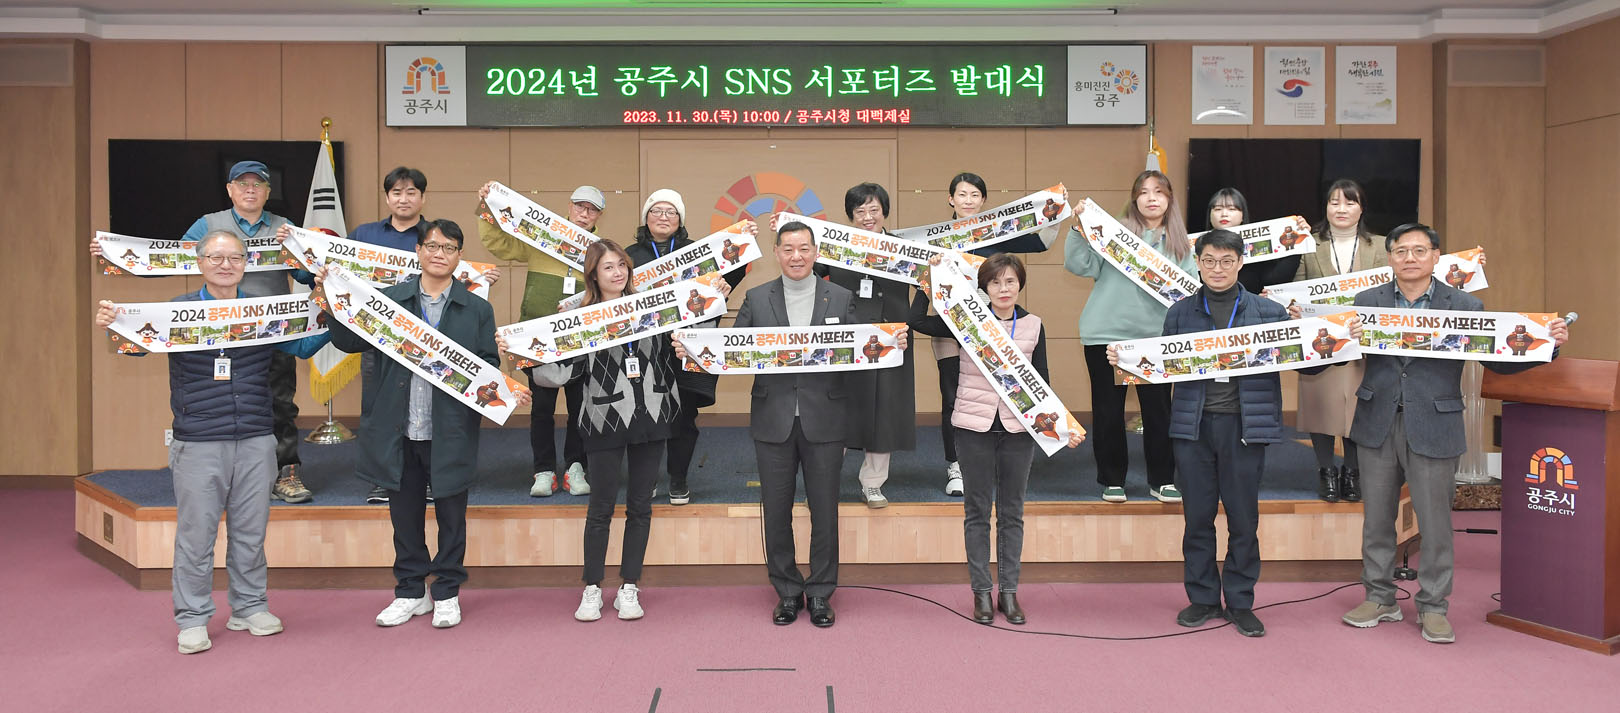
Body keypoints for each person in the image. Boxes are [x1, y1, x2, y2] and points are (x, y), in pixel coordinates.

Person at [95, 230, 330, 654]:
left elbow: (303, 344)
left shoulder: (263, 310)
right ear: (200, 263)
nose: (226, 265)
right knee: (196, 535)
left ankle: (250, 607)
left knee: (250, 532)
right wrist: (115, 321)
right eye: (216, 258)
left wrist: (335, 311)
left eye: (235, 258)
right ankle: (192, 617)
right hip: (199, 441)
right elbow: (134, 347)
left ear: (246, 265)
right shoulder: (177, 310)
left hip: (257, 438)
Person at [1333, 223, 1566, 645]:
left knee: (1436, 524)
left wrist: (1547, 344)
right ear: (1390, 258)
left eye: (1419, 250)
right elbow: (1339, 352)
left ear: (1436, 257)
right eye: (1401, 251)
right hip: (1376, 422)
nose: (1409, 258)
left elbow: (1497, 359)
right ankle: (1379, 597)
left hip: (1435, 424)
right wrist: (1335, 337)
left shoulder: (1464, 305)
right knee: (1377, 521)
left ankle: (1434, 606)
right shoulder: (1367, 302)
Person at [677, 218, 903, 628]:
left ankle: (820, 593)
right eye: (788, 249)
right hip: (773, 419)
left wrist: (889, 343)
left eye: (803, 249)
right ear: (777, 253)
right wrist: (693, 346)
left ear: (816, 252)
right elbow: (731, 350)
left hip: (826, 420)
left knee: (825, 512)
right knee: (776, 511)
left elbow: (860, 348)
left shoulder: (841, 297)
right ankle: (786, 591)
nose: (796, 256)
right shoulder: (757, 297)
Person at [1116, 229, 1336, 638]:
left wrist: (1325, 339)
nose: (1217, 269)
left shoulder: (1268, 311)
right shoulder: (1180, 313)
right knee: (1197, 518)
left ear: (1240, 263)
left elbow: (1308, 366)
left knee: (1243, 520)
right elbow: (1161, 368)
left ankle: (1240, 601)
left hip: (1245, 427)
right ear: (1197, 263)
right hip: (1193, 428)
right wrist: (1128, 361)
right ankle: (1202, 598)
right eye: (1209, 261)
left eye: (1227, 261)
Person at [320, 219, 527, 630]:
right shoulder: (389, 301)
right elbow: (348, 341)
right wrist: (330, 298)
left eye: (449, 248)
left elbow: (485, 365)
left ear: (458, 256)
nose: (439, 254)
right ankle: (410, 591)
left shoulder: (477, 309)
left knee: (452, 515)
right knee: (404, 515)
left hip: (449, 429)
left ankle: (447, 591)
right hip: (398, 427)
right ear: (418, 251)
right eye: (432, 246)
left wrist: (505, 388)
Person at [89, 160, 308, 504]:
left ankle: (286, 472)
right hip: (211, 332)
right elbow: (170, 260)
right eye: (243, 183)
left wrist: (300, 250)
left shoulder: (285, 227)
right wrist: (115, 255)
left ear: (268, 192)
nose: (250, 190)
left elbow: (307, 275)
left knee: (280, 402)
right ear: (230, 190)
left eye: (258, 184)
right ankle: (222, 476)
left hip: (271, 331)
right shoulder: (207, 225)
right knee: (216, 403)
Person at [911, 252, 1081, 625]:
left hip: (1018, 432)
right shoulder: (967, 320)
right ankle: (981, 593)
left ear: (1020, 285)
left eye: (1010, 281)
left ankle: (1009, 593)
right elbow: (917, 321)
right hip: (973, 428)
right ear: (984, 287)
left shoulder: (1034, 325)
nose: (1003, 289)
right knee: (976, 512)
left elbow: (1042, 381)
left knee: (1011, 512)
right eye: (994, 282)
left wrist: (1060, 427)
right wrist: (927, 278)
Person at [521, 240, 679, 622]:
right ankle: (592, 587)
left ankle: (629, 586)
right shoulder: (580, 318)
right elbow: (561, 373)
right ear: (593, 274)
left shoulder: (652, 309)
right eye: (608, 267)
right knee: (600, 508)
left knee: (641, 506)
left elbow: (680, 348)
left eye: (622, 265)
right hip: (604, 419)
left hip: (652, 414)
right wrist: (524, 352)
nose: (618, 272)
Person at [1063, 170, 1198, 503]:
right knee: (1108, 411)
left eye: (1159, 192)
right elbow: (1079, 265)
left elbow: (1191, 294)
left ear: (1169, 199)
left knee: (1159, 412)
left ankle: (1162, 480)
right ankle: (1112, 480)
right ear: (1134, 199)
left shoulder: (1182, 244)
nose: (1151, 198)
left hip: (1156, 339)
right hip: (1105, 334)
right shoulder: (1113, 234)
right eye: (1144, 191)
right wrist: (1079, 228)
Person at [926, 172, 1057, 497]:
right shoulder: (934, 239)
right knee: (953, 397)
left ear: (984, 200)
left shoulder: (996, 230)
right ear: (950, 199)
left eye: (975, 195)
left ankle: (993, 461)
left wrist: (1055, 211)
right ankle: (955, 466)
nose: (968, 201)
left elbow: (1041, 242)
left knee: (994, 394)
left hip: (995, 330)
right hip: (949, 329)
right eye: (962, 194)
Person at [477, 181, 601, 500]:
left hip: (581, 340)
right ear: (569, 207)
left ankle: (576, 468)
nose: (584, 213)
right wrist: (488, 207)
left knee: (580, 407)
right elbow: (499, 244)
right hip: (536, 338)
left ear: (599, 216)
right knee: (541, 409)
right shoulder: (542, 239)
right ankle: (543, 470)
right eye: (580, 206)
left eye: (592, 210)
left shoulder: (601, 250)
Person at [625, 189, 745, 505]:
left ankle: (678, 478)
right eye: (656, 211)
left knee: (684, 415)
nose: (663, 217)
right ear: (646, 217)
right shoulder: (628, 255)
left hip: (686, 347)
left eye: (671, 212)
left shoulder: (698, 253)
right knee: (643, 414)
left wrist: (722, 286)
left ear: (680, 220)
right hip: (644, 349)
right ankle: (647, 477)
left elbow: (725, 282)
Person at [813, 182, 914, 508]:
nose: (868, 217)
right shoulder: (836, 247)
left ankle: (873, 484)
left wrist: (913, 322)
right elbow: (805, 275)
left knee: (884, 414)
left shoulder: (905, 249)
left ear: (885, 212)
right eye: (860, 211)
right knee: (838, 412)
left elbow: (933, 284)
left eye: (874, 210)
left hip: (891, 343)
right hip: (846, 343)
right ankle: (824, 482)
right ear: (850, 215)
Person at [1292, 179, 1386, 503]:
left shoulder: (1381, 246)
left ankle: (1352, 472)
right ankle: (1326, 471)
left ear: (1362, 208)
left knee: (1357, 409)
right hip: (1320, 344)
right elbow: (1297, 289)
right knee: (1320, 406)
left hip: (1362, 344)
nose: (1341, 209)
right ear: (1326, 207)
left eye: (1350, 202)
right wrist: (1291, 306)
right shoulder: (1309, 245)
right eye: (1334, 202)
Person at [1205, 187, 1301, 293]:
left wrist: (1299, 236)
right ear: (1210, 215)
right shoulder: (1198, 246)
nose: (1224, 214)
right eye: (1218, 209)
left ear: (1243, 215)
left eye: (1231, 209)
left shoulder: (1257, 243)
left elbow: (1275, 279)